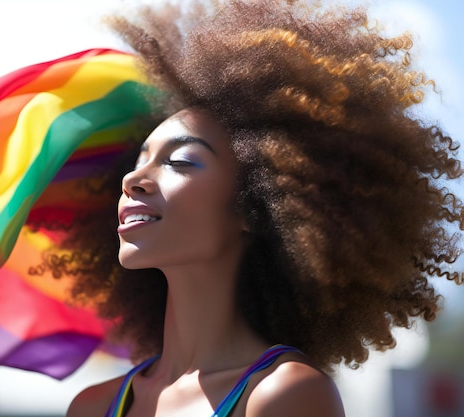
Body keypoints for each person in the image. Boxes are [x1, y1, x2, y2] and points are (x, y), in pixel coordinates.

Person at [48, 0, 463, 415]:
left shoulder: (285, 396)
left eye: (180, 161)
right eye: (139, 160)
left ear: (255, 206)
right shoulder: (91, 405)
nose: (132, 180)